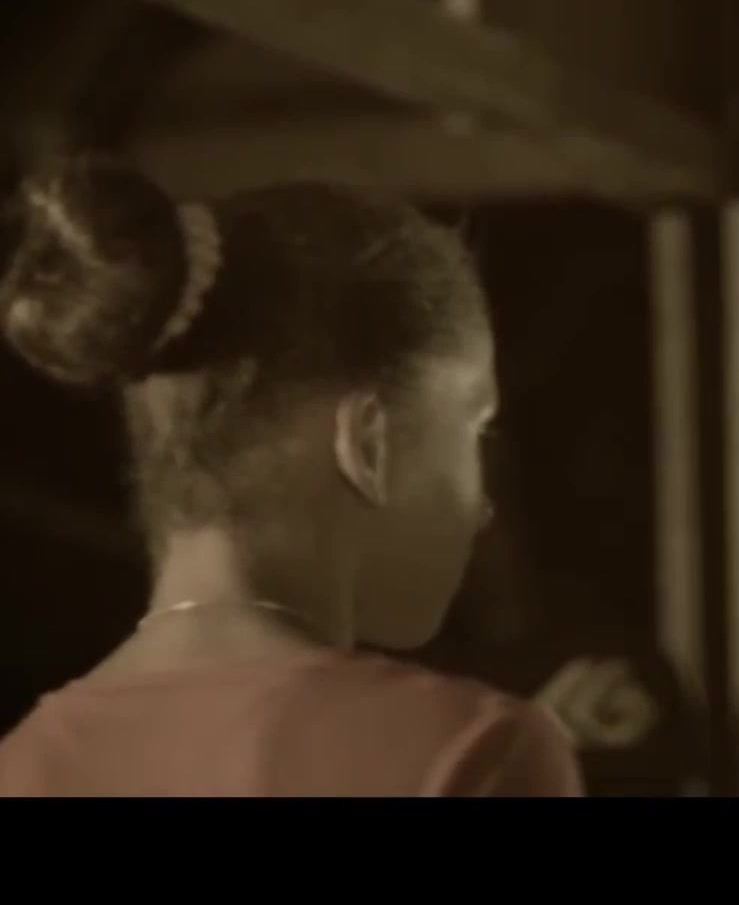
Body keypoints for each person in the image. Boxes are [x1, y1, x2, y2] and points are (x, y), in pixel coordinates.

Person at [0, 154, 583, 797]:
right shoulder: (476, 749)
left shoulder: (25, 763)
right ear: (370, 444)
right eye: (475, 429)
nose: (483, 507)